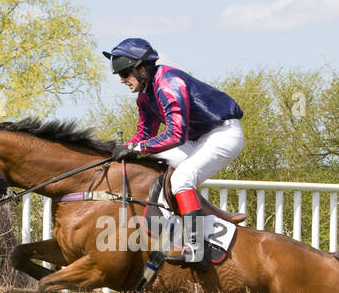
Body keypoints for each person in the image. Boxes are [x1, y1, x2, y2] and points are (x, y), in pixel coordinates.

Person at [104, 38, 244, 264]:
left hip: (223, 136)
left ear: (141, 69)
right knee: (151, 157)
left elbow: (175, 134)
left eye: (125, 74)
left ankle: (196, 249)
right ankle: (172, 218)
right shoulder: (144, 97)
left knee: (181, 178)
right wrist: (120, 150)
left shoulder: (169, 83)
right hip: (198, 139)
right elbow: (144, 136)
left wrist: (137, 147)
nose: (122, 80)